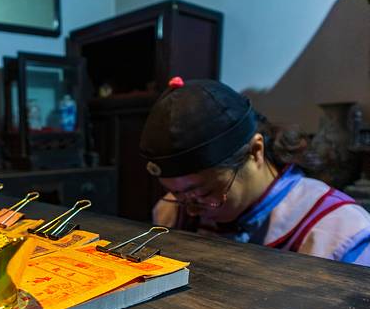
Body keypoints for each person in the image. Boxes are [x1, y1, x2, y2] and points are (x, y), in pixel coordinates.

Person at [140, 77, 370, 266]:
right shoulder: (172, 213)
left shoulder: (339, 233)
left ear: (256, 151)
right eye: (177, 194)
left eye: (203, 193)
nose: (190, 211)